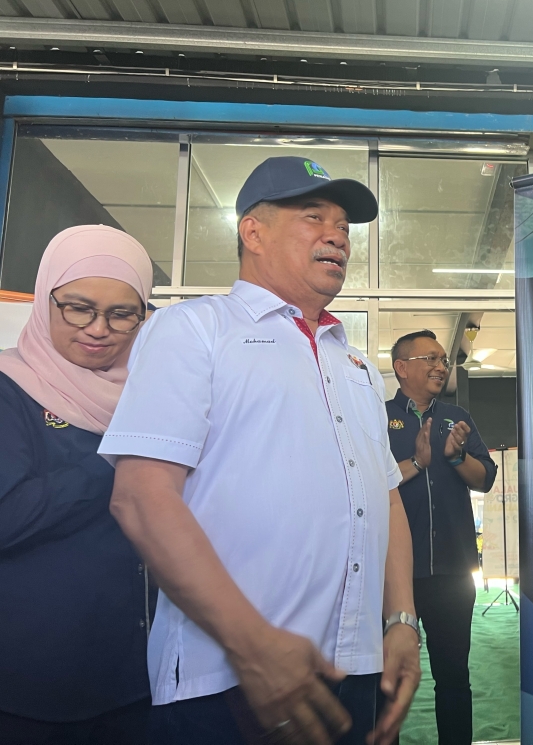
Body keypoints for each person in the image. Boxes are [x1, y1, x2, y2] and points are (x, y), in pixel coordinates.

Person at [98, 156, 420, 745]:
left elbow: (386, 500)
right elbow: (141, 498)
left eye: (344, 226)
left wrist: (401, 622)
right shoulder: (194, 330)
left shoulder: (354, 363)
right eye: (312, 216)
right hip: (229, 679)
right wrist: (253, 643)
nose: (336, 236)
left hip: (351, 672)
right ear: (253, 231)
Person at [0, 225, 154, 744]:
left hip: (141, 678)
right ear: (46, 301)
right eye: (78, 307)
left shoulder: (151, 396)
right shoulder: (10, 392)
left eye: (122, 313)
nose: (99, 328)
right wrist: (114, 456)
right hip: (33, 685)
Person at [386, 330, 498, 745]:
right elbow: (366, 484)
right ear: (402, 368)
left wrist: (456, 457)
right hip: (397, 579)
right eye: (429, 359)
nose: (440, 366)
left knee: (454, 677)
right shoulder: (378, 418)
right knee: (390, 681)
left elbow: (485, 478)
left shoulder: (456, 416)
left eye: (443, 360)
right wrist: (417, 461)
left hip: (453, 572)